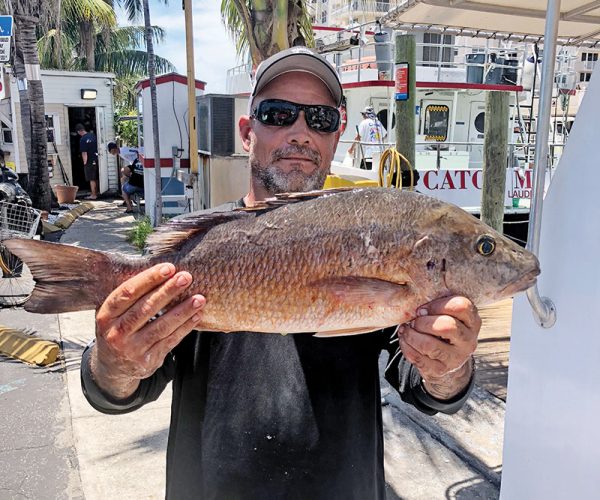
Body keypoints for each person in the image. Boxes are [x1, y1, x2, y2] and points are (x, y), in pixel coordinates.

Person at [81, 47, 481, 500]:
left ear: (338, 135)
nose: (300, 132)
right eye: (278, 114)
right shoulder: (202, 247)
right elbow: (121, 390)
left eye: (320, 120)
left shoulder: (376, 241)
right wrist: (112, 364)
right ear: (247, 132)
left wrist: (450, 365)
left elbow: (425, 386)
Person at [108, 142, 144, 213]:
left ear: (114, 149)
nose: (110, 153)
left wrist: (138, 160)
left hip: (138, 164)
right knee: (123, 178)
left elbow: (136, 151)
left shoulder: (124, 151)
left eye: (111, 151)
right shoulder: (120, 153)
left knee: (124, 182)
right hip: (135, 165)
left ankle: (128, 205)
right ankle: (126, 200)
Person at [348, 105, 387, 170]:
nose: (362, 116)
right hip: (379, 154)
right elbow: (385, 135)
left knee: (365, 172)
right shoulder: (378, 122)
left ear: (366, 114)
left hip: (368, 154)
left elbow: (358, 137)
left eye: (363, 114)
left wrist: (351, 149)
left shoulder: (364, 122)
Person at [75, 123, 99, 200]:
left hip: (89, 160)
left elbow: (84, 152)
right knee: (95, 177)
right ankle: (97, 192)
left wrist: (84, 162)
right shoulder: (93, 135)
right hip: (97, 158)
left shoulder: (82, 139)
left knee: (91, 178)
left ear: (79, 131)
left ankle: (93, 195)